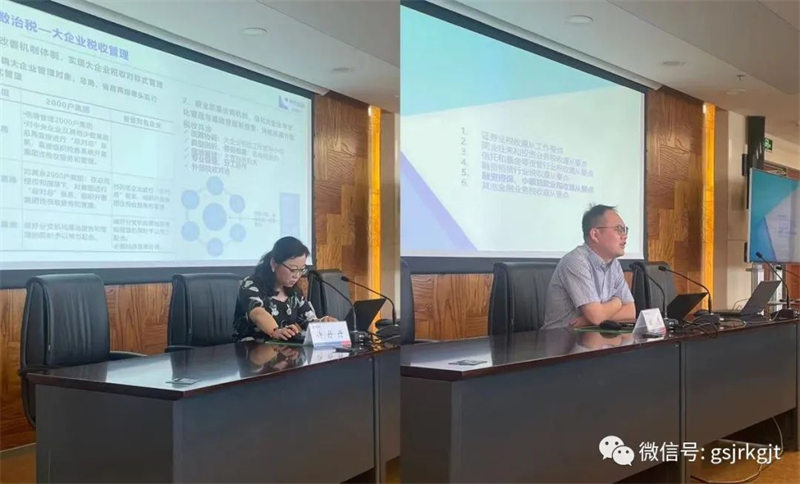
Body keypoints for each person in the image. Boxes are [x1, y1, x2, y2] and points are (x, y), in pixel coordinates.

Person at [543, 204, 636, 329]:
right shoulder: (576, 261)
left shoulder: (614, 265)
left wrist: (589, 321)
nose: (624, 236)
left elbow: (630, 311)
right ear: (595, 235)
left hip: (592, 334)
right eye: (618, 229)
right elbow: (596, 317)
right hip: (560, 336)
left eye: (625, 230)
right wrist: (618, 302)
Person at [232, 236, 335, 342]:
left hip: (283, 348)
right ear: (274, 263)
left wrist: (322, 323)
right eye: (293, 269)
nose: (297, 275)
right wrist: (275, 331)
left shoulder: (294, 292)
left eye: (301, 270)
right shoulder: (251, 285)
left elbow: (308, 320)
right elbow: (257, 313)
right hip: (250, 347)